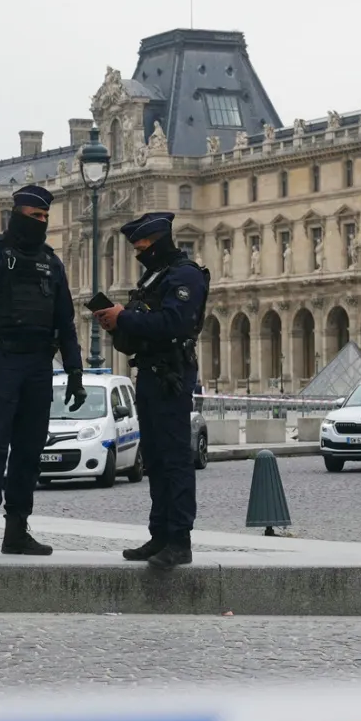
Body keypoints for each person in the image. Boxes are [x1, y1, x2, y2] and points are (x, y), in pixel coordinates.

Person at [0, 184, 84, 559]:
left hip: (38, 368)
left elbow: (66, 322)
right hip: (1, 363)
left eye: (45, 217)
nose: (41, 223)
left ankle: (17, 529)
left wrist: (75, 371)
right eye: (34, 217)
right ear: (16, 215)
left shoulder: (51, 262)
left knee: (29, 452)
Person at [91, 212, 209, 569]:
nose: (140, 254)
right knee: (154, 458)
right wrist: (116, 324)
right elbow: (143, 332)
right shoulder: (155, 277)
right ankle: (159, 534)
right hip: (151, 374)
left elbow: (175, 322)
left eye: (143, 247)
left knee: (174, 458)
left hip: (171, 375)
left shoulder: (185, 276)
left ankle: (179, 539)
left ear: (159, 241)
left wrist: (124, 317)